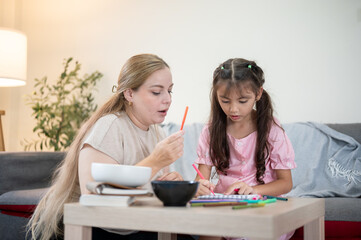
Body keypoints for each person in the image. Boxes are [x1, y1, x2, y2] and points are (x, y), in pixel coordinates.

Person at [27, 54, 189, 240]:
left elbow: (147, 193)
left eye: (170, 91)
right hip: (93, 227)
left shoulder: (157, 132)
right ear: (129, 94)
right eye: (156, 92)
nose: (167, 99)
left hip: (131, 224)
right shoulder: (110, 126)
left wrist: (169, 185)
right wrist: (155, 161)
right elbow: (95, 194)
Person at [194, 58, 296, 240]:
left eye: (243, 101)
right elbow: (201, 178)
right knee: (208, 229)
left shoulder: (271, 128)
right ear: (216, 95)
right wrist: (199, 187)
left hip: (262, 203)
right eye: (224, 101)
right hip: (224, 205)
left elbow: (286, 183)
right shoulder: (210, 130)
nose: (233, 109)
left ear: (258, 94)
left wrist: (253, 190)